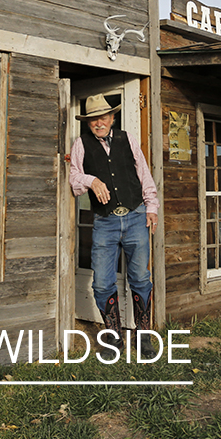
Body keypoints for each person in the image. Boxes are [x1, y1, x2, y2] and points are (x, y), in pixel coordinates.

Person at [68, 93, 159, 352]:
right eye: (94, 119)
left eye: (104, 117)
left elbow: (143, 172)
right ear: (88, 122)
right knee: (101, 282)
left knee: (140, 277)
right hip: (104, 222)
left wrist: (151, 206)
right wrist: (91, 180)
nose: (99, 122)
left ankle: (143, 335)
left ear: (112, 117)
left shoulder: (127, 138)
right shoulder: (81, 144)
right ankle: (114, 336)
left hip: (135, 216)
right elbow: (74, 179)